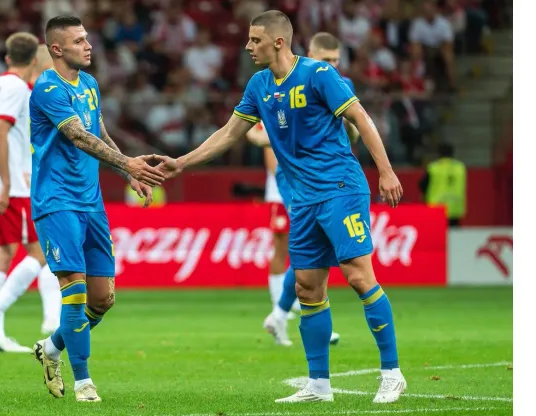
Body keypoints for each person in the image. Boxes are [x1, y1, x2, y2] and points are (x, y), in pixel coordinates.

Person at [155, 10, 406, 404]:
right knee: (307, 287)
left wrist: (386, 171)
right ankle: (319, 386)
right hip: (302, 197)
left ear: (278, 42)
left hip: (340, 188)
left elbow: (360, 116)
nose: (247, 46)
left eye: (254, 40)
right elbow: (229, 133)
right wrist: (181, 162)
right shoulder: (258, 86)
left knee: (359, 276)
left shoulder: (319, 76)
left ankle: (391, 373)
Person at [29, 15, 165, 402]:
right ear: (57, 49)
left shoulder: (88, 84)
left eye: (87, 38)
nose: (88, 45)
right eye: (78, 40)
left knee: (102, 299)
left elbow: (99, 132)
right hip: (57, 202)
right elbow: (77, 136)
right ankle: (83, 382)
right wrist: (128, 164)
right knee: (73, 291)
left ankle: (51, 349)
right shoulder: (47, 89)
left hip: (91, 202)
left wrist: (128, 173)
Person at [250, 32, 357, 348]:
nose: (332, 66)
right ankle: (290, 312)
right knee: (306, 246)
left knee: (310, 247)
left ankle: (282, 314)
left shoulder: (340, 85)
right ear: (308, 53)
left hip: (326, 177)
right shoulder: (280, 82)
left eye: (337, 61)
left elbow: (352, 133)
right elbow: (255, 134)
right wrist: (283, 147)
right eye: (326, 60)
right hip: (293, 179)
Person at [0, 44, 63, 344]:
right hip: (15, 184)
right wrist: (6, 182)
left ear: (7, 57)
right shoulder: (22, 89)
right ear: (36, 61)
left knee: (0, 253)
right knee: (42, 252)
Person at [419, 143, 466, 227]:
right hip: (455, 208)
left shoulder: (434, 167)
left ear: (439, 153)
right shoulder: (460, 167)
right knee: (453, 236)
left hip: (437, 208)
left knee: (437, 234)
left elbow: (422, 185)